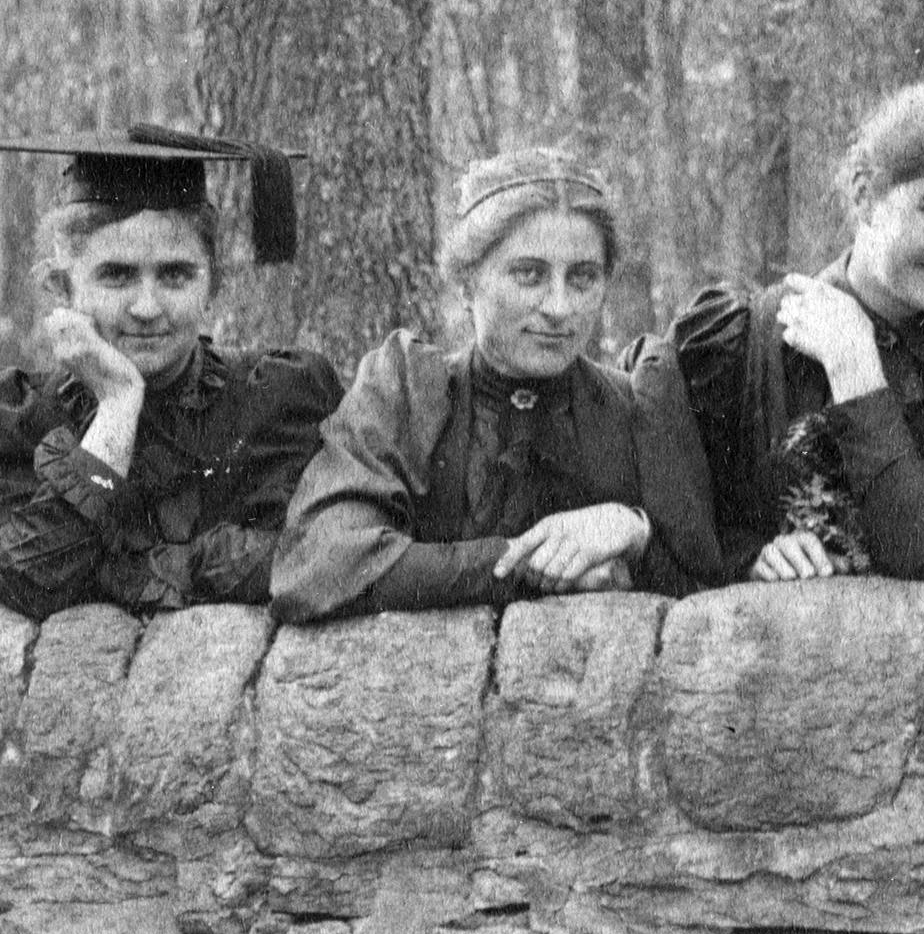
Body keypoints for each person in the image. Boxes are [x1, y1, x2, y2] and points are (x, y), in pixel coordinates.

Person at [270, 152, 724, 619]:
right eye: (529, 274)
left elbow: (706, 581)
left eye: (583, 278)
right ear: (467, 285)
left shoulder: (638, 409)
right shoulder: (404, 394)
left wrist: (634, 531)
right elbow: (317, 564)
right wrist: (522, 563)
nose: (559, 307)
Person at [665, 80, 924, 580]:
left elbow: (922, 547)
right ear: (865, 195)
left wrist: (856, 370)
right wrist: (746, 557)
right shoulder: (740, 343)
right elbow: (673, 520)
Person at [0, 125, 343, 615]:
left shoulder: (277, 401)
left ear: (212, 283)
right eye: (116, 275)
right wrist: (116, 405)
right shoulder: (12, 418)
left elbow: (305, 555)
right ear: (62, 287)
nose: (147, 306)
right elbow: (33, 576)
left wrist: (118, 572)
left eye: (175, 275)